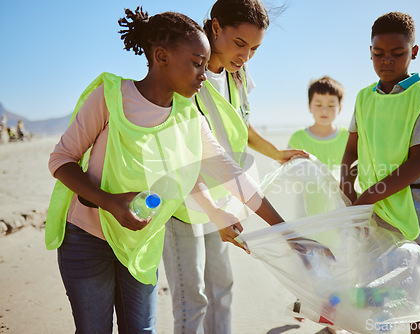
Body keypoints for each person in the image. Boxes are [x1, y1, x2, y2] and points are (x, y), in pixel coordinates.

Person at [46, 7, 285, 333]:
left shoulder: (189, 118)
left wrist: (286, 231)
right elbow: (61, 160)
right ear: (161, 56)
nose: (204, 74)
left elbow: (232, 175)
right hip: (87, 239)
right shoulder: (111, 96)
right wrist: (110, 202)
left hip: (141, 244)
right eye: (196, 63)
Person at [162, 1, 308, 333]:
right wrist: (213, 210)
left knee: (222, 286)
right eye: (239, 44)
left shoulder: (237, 75)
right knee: (192, 299)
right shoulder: (186, 77)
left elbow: (240, 127)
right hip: (185, 199)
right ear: (215, 28)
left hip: (225, 195)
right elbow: (184, 155)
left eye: (255, 48)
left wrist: (276, 152)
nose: (245, 56)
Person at [340, 12, 420, 334]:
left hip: (418, 220)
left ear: (413, 52)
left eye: (397, 53)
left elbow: (418, 163)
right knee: (379, 301)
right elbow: (351, 152)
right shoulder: (365, 98)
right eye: (378, 54)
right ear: (370, 52)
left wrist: (365, 196)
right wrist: (348, 186)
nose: (386, 61)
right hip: (376, 217)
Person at [288, 76, 349, 175]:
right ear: (309, 106)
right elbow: (289, 172)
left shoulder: (348, 137)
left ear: (339, 108)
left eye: (331, 106)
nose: (324, 110)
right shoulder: (298, 138)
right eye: (318, 105)